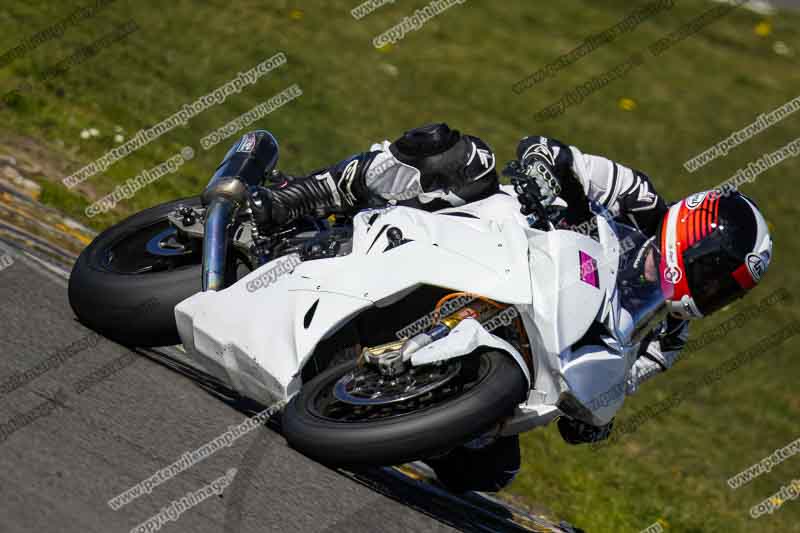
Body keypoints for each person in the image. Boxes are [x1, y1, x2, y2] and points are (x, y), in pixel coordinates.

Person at [224, 124, 772, 491]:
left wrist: (597, 418)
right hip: (496, 232)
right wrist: (544, 179)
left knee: (490, 467)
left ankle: (383, 395)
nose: (712, 294)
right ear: (696, 237)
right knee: (456, 153)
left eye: (726, 293)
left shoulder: (669, 330)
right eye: (715, 278)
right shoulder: (640, 198)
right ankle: (294, 201)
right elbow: (551, 151)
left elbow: (628, 377)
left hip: (532, 325)